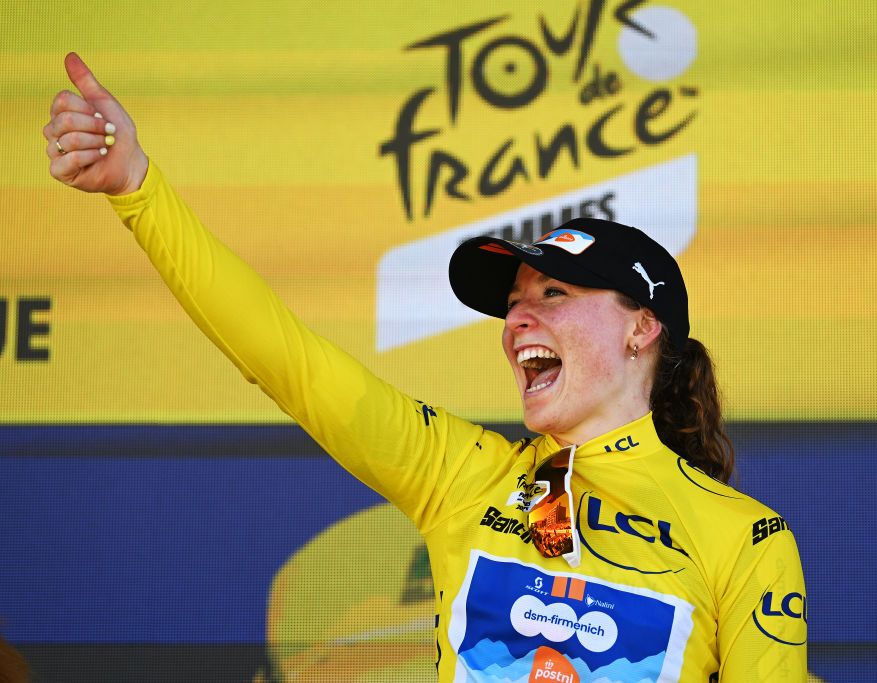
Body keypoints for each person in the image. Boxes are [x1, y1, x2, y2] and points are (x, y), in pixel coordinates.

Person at [44, 53, 806, 681]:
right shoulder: (463, 476)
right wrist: (138, 190)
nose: (517, 319)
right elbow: (286, 357)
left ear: (642, 327)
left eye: (554, 292)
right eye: (512, 302)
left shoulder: (744, 539)